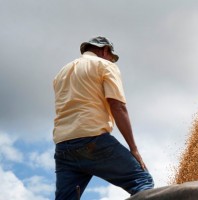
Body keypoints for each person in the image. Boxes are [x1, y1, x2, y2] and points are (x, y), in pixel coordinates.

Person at [53, 36, 154, 199]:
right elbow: (117, 106)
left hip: (64, 147)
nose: (111, 61)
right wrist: (134, 149)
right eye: (111, 57)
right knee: (142, 181)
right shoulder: (104, 65)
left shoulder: (61, 73)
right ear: (104, 50)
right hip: (92, 140)